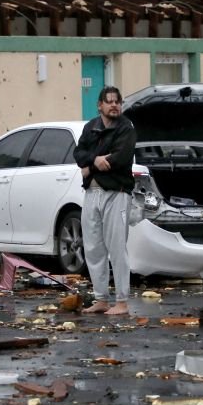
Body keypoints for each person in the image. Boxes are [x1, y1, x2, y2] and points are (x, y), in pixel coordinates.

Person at [74, 86, 136, 315]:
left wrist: (90, 167)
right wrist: (93, 161)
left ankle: (121, 301)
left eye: (117, 102)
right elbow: (78, 154)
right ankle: (101, 298)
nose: (114, 105)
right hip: (92, 193)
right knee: (93, 248)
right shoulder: (91, 127)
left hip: (116, 193)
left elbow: (121, 157)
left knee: (117, 247)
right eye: (109, 101)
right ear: (100, 105)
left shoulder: (126, 128)